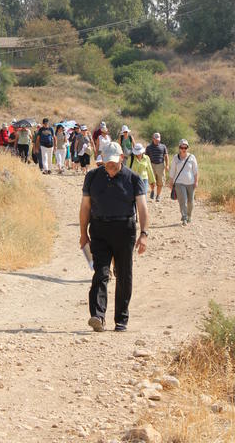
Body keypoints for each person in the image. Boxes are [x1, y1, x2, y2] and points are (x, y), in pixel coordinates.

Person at [79, 142, 149, 332]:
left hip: (124, 230)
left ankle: (121, 319)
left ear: (121, 158)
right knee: (100, 273)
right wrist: (83, 233)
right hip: (99, 229)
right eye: (106, 162)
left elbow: (142, 207)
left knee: (124, 274)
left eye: (113, 162)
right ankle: (98, 316)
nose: (110, 166)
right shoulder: (92, 177)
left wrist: (143, 234)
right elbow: (85, 207)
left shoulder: (133, 179)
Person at [169, 139, 199, 226]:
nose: (183, 149)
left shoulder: (192, 157)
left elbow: (195, 171)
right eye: (182, 147)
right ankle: (184, 217)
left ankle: (189, 216)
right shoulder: (175, 158)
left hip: (191, 183)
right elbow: (172, 171)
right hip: (179, 183)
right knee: (183, 201)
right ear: (179, 148)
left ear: (187, 147)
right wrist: (171, 182)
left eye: (185, 147)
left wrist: (196, 181)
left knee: (191, 202)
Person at [145, 132, 169, 202]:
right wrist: (146, 166)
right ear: (153, 139)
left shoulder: (163, 146)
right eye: (156, 139)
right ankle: (152, 190)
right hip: (151, 165)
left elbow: (166, 156)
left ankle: (158, 195)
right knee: (152, 181)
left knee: (160, 182)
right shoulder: (149, 147)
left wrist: (167, 165)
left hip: (160, 165)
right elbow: (146, 157)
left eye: (158, 139)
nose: (157, 140)